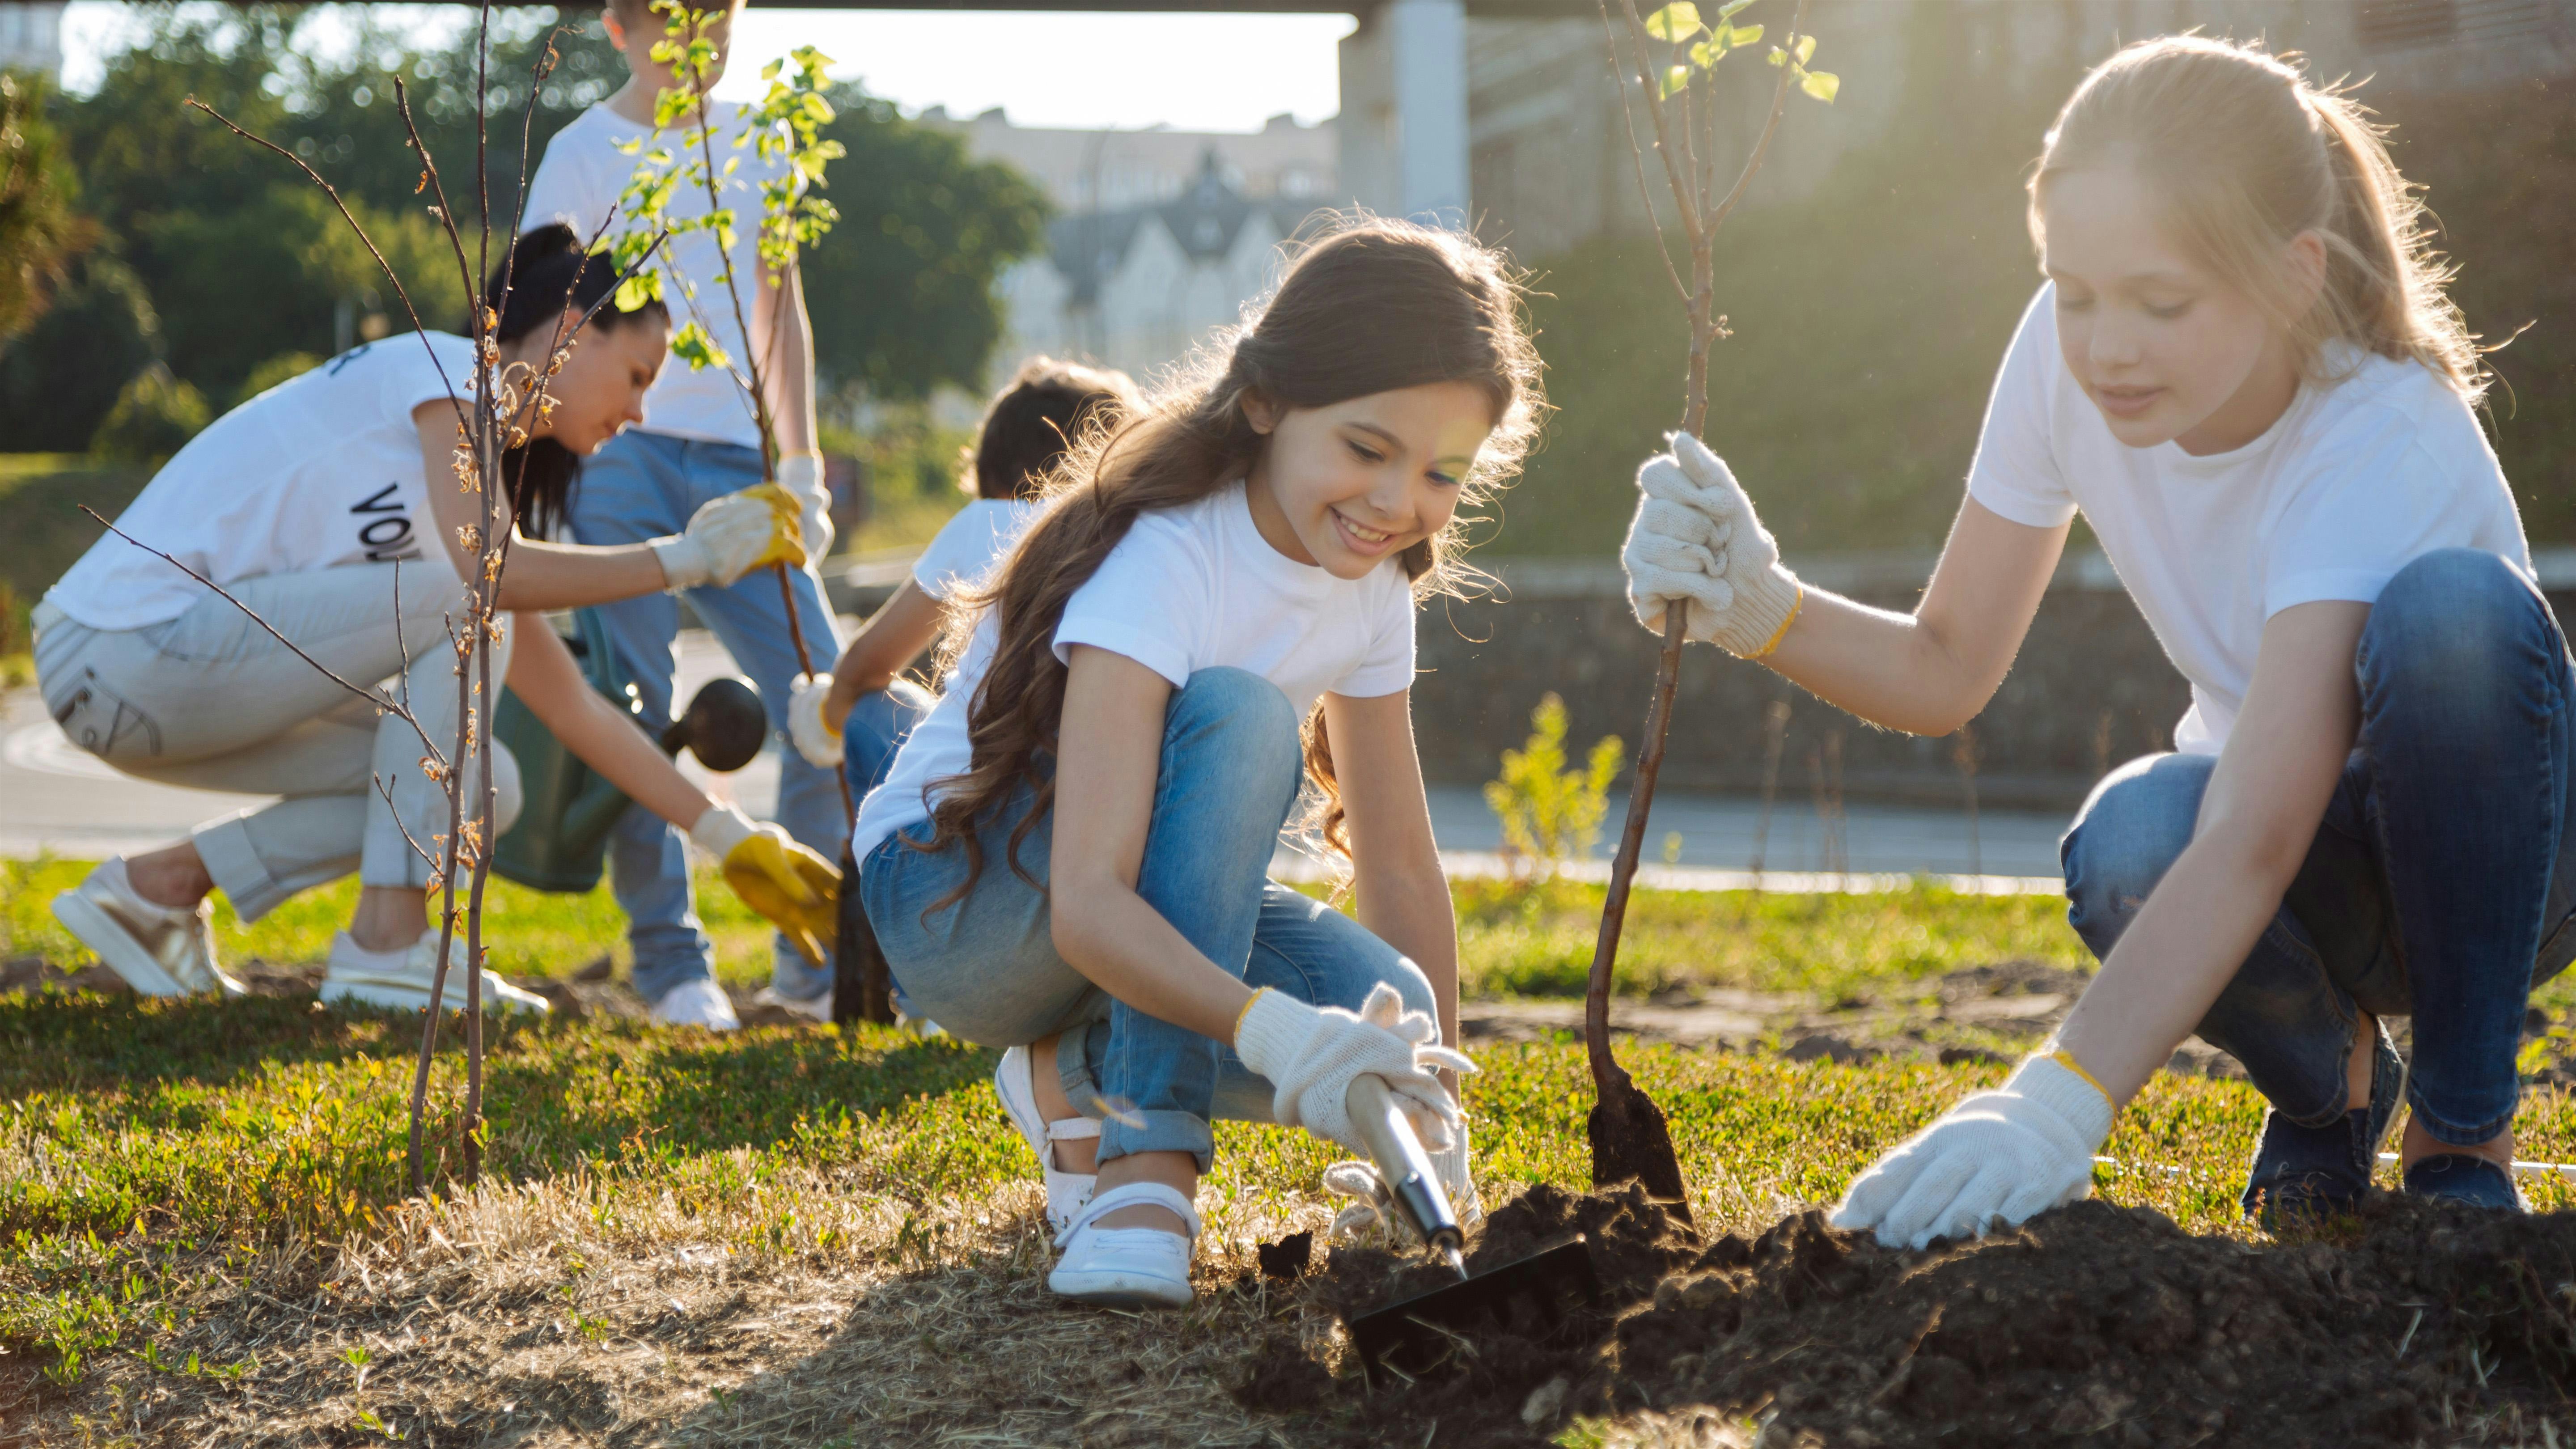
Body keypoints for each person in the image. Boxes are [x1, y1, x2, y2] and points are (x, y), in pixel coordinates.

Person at [1621, 36, 2550, 1244]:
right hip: (2301, 863)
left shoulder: (2379, 432)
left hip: (2508, 861)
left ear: (2292, 274)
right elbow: (1945, 665)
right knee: (2130, 838)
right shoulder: (2067, 366)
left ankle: (2463, 1128)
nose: (2106, 343)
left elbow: (2262, 831)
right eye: (2075, 291)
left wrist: (2057, 1097)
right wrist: (1760, 605)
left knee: (2454, 620)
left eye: (2161, 303)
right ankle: (2330, 1101)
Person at [851, 220, 1539, 1307]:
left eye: (1442, 472)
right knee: (1240, 715)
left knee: (1384, 1006)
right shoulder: (1167, 551)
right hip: (957, 900)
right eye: (1367, 449)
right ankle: (1145, 1173)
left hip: (1106, 897)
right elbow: (1087, 903)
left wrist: (1433, 1120)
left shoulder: (1372, 584)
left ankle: (1067, 1073)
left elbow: (1401, 869)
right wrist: (1274, 1033)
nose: (1399, 503)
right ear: (1265, 403)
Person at [36, 226, 838, 1017]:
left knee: (489, 783)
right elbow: (491, 580)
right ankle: (388, 948)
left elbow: (574, 709)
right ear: (569, 330)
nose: (638, 412)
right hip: (117, 651)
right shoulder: (447, 372)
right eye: (636, 375)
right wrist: (689, 559)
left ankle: (156, 891)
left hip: (166, 683)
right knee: (472, 597)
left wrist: (730, 836)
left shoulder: (464, 490)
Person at [520, 0, 841, 1030]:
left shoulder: (763, 139)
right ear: (617, 28)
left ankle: (822, 963)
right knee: (635, 701)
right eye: (664, 19)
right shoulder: (581, 154)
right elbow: (539, 319)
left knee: (824, 695)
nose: (691, 37)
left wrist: (803, 467)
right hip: (620, 451)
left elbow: (781, 306)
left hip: (744, 453)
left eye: (713, 16)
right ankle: (672, 967)